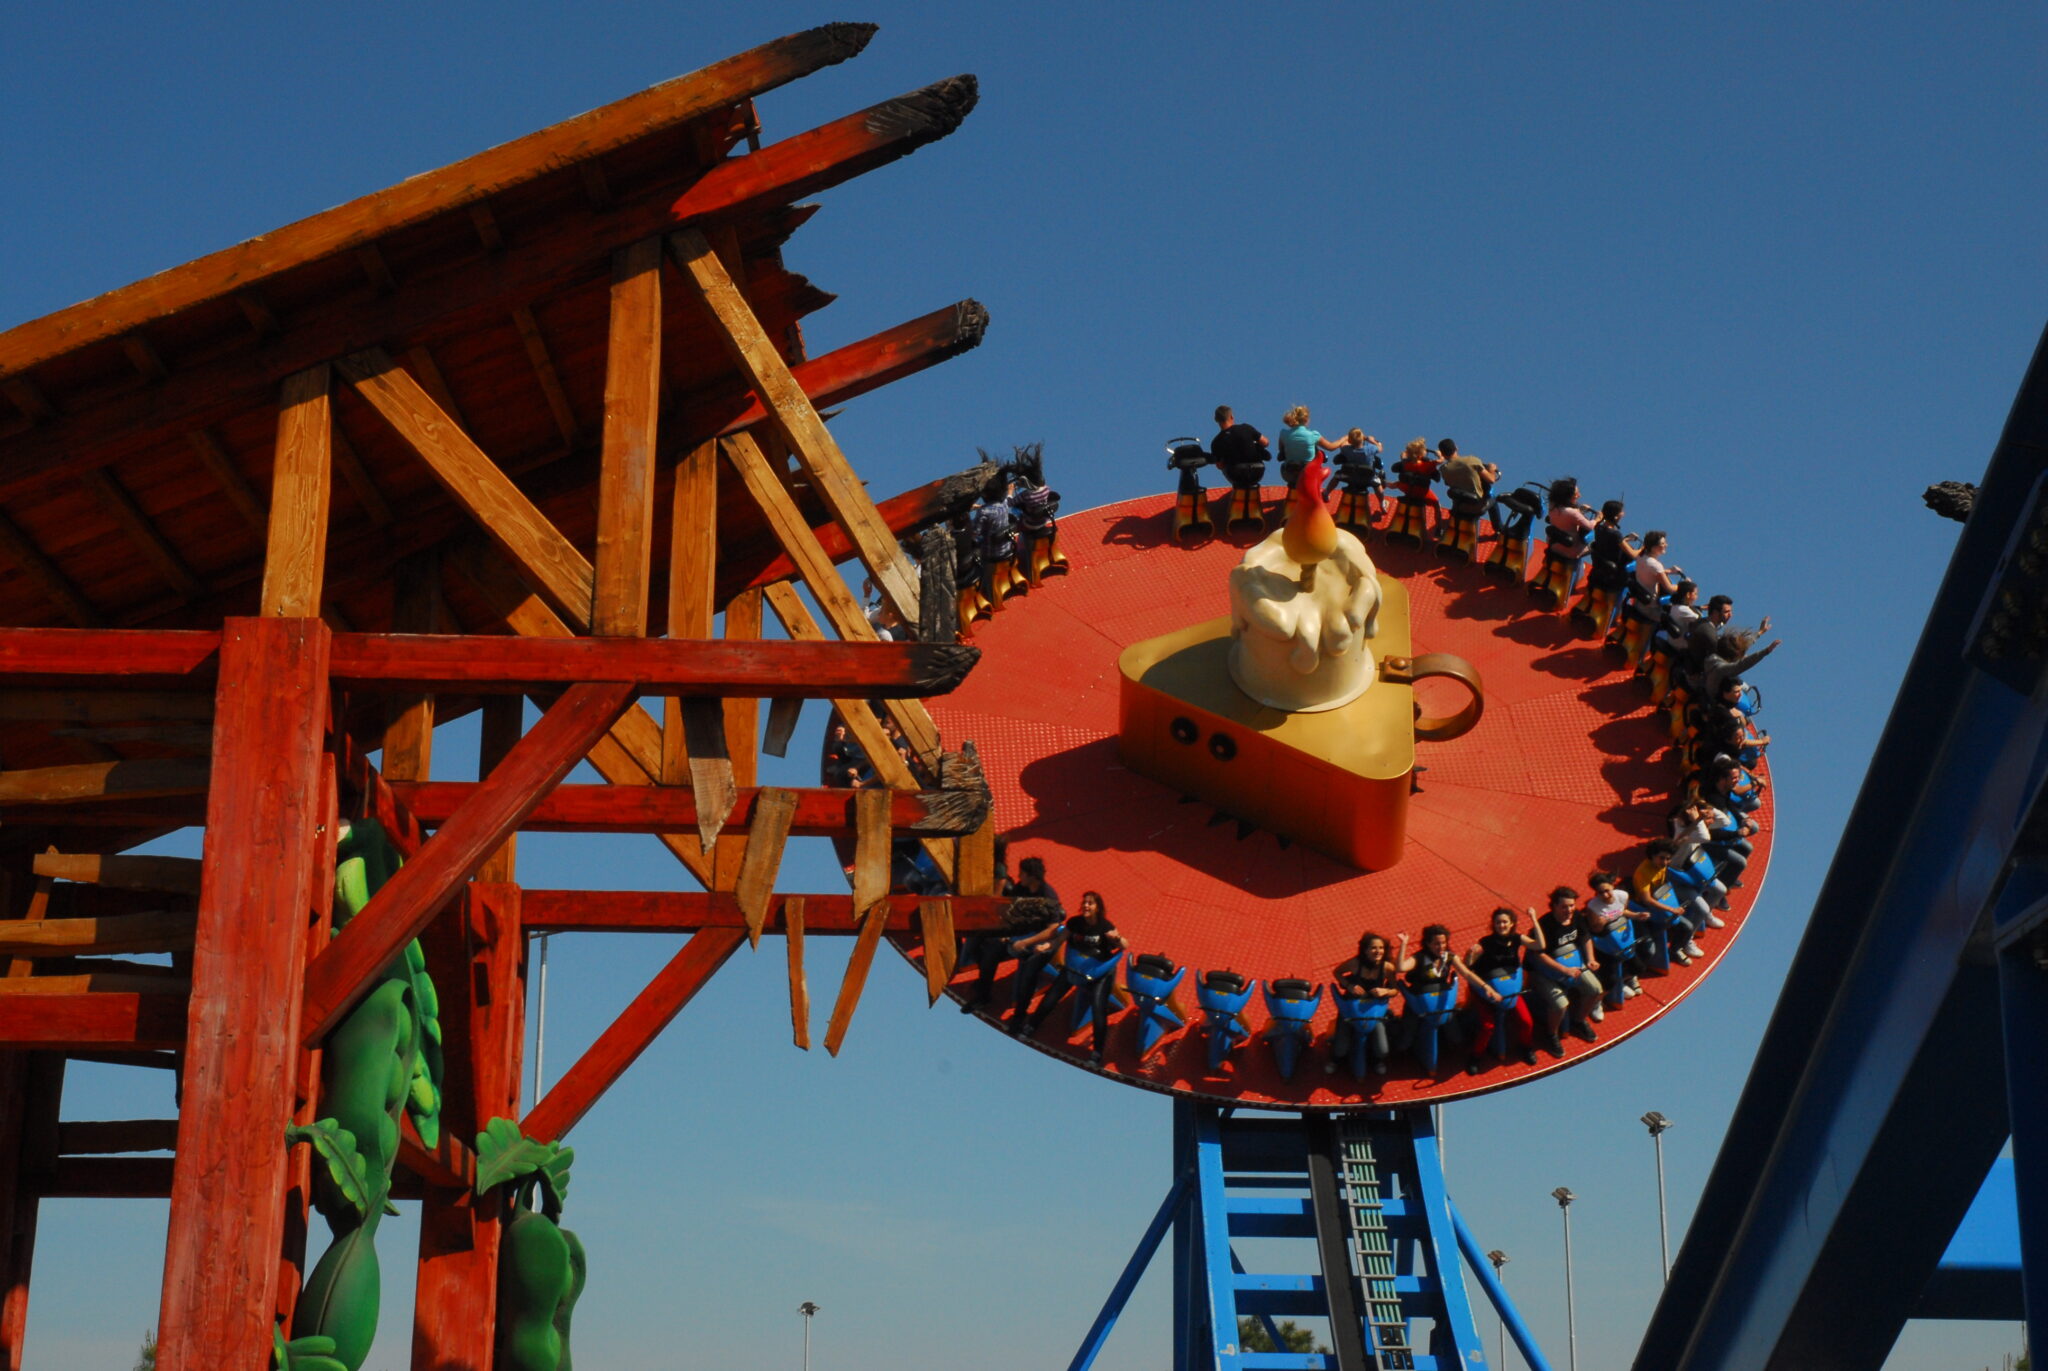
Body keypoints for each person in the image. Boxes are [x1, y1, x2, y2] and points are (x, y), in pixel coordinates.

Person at [1026, 891, 1129, 1062]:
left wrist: (1116, 938)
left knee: (1098, 1008)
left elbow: (1125, 945)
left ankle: (1097, 1052)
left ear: (1097, 908)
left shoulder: (1104, 926)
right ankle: (1031, 1025)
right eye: (1084, 903)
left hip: (1098, 972)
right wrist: (1046, 946)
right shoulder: (1075, 923)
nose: (1086, 906)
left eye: (1090, 903)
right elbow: (1059, 940)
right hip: (1075, 968)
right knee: (1052, 997)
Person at [1464, 907, 1542, 1069]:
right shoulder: (1485, 942)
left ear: (1511, 923)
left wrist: (1534, 919)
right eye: (1498, 922)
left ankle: (1526, 1047)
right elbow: (1468, 966)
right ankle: (1475, 1056)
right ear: (1493, 924)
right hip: (1487, 991)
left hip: (1509, 992)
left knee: (1526, 1021)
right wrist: (1470, 954)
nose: (1501, 925)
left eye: (1505, 922)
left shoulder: (1517, 938)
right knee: (1488, 1026)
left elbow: (1539, 945)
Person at [1398, 923, 1488, 1055]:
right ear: (1428, 944)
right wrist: (1403, 944)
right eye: (1436, 944)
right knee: (1406, 1038)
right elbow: (1401, 967)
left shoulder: (1449, 957)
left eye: (1443, 943)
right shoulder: (1419, 958)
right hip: (1419, 1002)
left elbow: (1467, 974)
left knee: (1456, 1037)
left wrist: (1485, 987)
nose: (1441, 947)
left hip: (1442, 1003)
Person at [1533, 886, 1603, 1053]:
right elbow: (1539, 955)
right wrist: (1564, 970)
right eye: (1564, 907)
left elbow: (1585, 937)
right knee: (1560, 1004)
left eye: (1571, 905)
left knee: (1595, 989)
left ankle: (1578, 1020)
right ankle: (1551, 1034)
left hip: (1572, 964)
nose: (1569, 910)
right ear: (1554, 906)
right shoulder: (1545, 925)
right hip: (1545, 971)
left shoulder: (1576, 917)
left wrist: (1590, 959)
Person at [1326, 930, 1406, 1075]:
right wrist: (1349, 986)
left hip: (1374, 1011)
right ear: (1365, 950)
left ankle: (1376, 1060)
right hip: (1351, 1009)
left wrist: (1385, 991)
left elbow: (1395, 990)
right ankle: (1335, 1059)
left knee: (1382, 1049)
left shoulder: (1387, 967)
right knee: (1340, 1048)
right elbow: (1337, 972)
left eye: (1381, 948)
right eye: (1373, 948)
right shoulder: (1355, 964)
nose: (1378, 951)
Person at [1631, 839, 1707, 965]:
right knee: (1656, 941)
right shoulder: (1643, 872)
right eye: (1661, 858)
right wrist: (1671, 909)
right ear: (1652, 856)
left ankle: (1675, 950)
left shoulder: (1662, 866)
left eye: (1668, 859)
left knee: (1687, 927)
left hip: (1661, 900)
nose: (1665, 862)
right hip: (1645, 908)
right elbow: (1647, 899)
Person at [1585, 871, 1648, 1004]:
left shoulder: (1622, 895)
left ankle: (1625, 980)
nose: (1605, 895)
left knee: (1639, 968)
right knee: (1610, 980)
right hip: (1605, 943)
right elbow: (1594, 930)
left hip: (1621, 937)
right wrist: (1600, 923)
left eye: (1607, 891)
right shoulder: (1593, 907)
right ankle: (1598, 1002)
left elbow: (1623, 911)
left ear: (1612, 886)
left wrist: (1637, 915)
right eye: (1600, 893)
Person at [1276, 405, 1358, 489]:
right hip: (1309, 474)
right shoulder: (1313, 435)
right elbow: (1331, 447)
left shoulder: (1283, 434)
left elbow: (1281, 451)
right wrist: (1344, 438)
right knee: (1319, 455)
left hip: (1289, 473)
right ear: (1306, 419)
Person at [1210, 405, 1270, 487]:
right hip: (1257, 471)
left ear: (1216, 419)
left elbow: (1219, 465)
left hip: (1235, 475)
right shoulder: (1246, 428)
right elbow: (1266, 442)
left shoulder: (1216, 442)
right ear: (1232, 416)